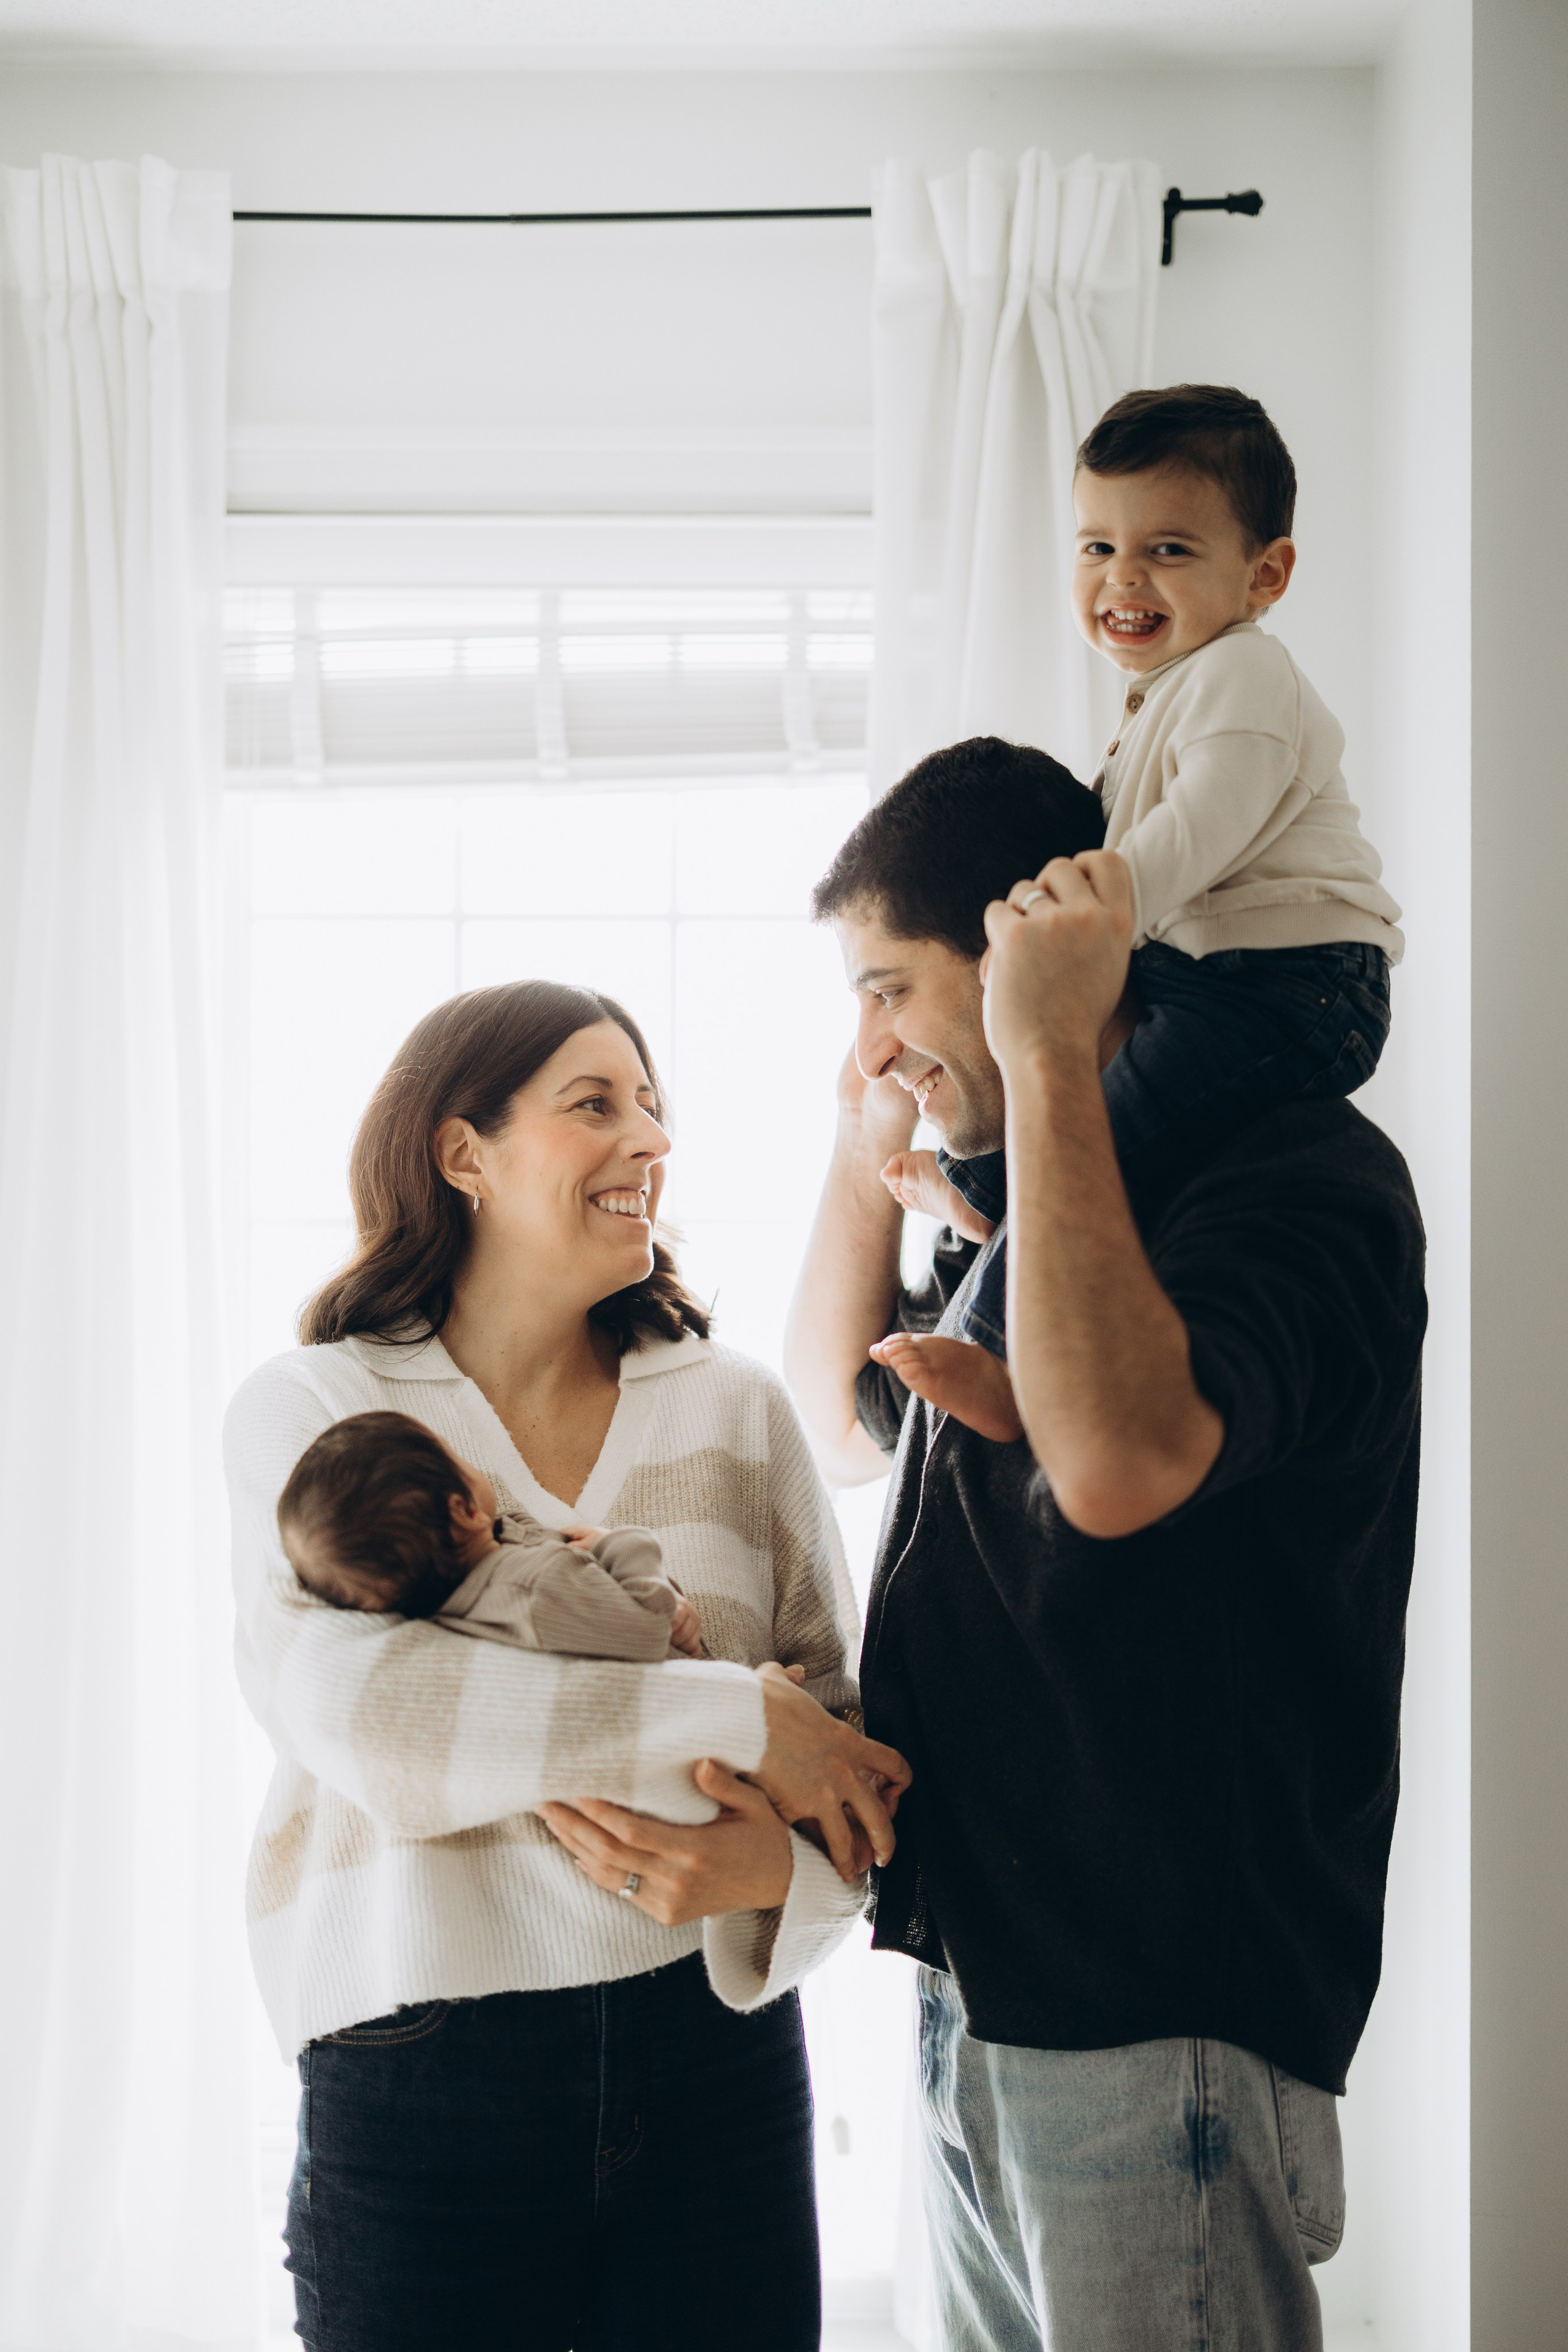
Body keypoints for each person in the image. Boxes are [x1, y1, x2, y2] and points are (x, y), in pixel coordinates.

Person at [785, 742, 1427, 2351]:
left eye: (887, 990)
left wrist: (1046, 1058)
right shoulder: (1041, 1203)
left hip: (1156, 2015)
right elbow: (837, 1409)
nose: (864, 1041)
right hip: (981, 1992)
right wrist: (882, 1118)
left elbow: (1129, 1459)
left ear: (1022, 965)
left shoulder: (1296, 1172)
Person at [224, 978, 911, 2352]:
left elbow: (847, 1756)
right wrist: (728, 1716)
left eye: (654, 1109)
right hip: (419, 2072)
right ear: (461, 1151)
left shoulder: (735, 1408)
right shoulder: (316, 1408)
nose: (648, 1140)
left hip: (712, 2063)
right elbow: (376, 1725)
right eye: (594, 1104)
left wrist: (781, 1872)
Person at [878, 386, 1402, 1445]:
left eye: (1167, 548)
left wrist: (1094, 911)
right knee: (1087, 1105)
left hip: (1289, 984)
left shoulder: (1247, 673)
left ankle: (1006, 1358)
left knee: (1104, 1130)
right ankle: (984, 1194)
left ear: (1265, 575)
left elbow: (1208, 821)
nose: (1123, 576)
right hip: (1220, 975)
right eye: (1096, 546)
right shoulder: (1165, 691)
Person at [278, 1406, 704, 1660]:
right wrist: (621, 1543)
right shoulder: (536, 1590)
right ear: (463, 1512)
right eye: (455, 1455)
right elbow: (649, 1628)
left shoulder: (477, 1586)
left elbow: (529, 1539)